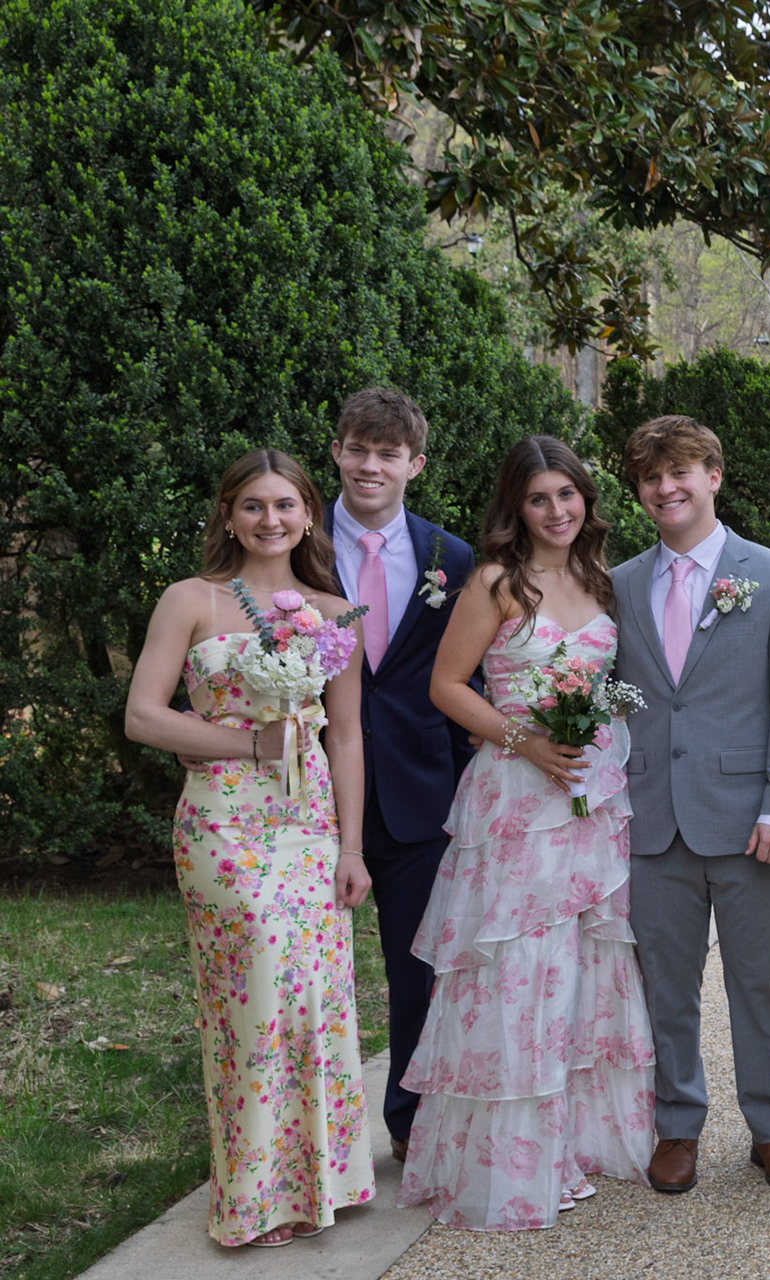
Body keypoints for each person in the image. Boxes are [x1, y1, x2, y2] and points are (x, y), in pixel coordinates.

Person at [399, 436, 654, 1230]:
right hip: (515, 797)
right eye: (539, 498)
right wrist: (527, 741)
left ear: (585, 498)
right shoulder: (495, 582)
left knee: (581, 967)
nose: (556, 510)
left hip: (588, 795)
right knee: (518, 969)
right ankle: (509, 1166)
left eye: (567, 494)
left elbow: (615, 687)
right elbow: (447, 685)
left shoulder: (599, 579)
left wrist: (586, 739)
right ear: (517, 506)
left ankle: (569, 1144)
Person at [125, 449, 375, 1247]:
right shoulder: (190, 599)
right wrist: (249, 745)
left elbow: (346, 736)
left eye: (286, 505)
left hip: (309, 826)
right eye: (254, 506)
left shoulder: (336, 613)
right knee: (251, 1000)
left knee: (315, 997)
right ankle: (255, 1196)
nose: (271, 520)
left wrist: (351, 848)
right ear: (229, 517)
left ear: (309, 515)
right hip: (223, 825)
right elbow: (143, 716)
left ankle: (326, 1182)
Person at [611, 415, 770, 1197]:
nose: (666, 488)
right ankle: (676, 1126)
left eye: (680, 472)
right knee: (665, 986)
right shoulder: (620, 583)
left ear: (713, 477)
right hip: (651, 818)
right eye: (651, 477)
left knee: (759, 982)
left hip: (747, 821)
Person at [321, 388, 476, 1162]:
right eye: (357, 449)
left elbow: (467, 672)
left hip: (421, 786)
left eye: (388, 454)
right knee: (308, 972)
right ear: (337, 452)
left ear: (416, 464)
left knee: (418, 966)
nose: (370, 466)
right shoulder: (295, 542)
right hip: (310, 785)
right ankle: (318, 1137)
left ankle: (411, 1120)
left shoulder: (451, 557)